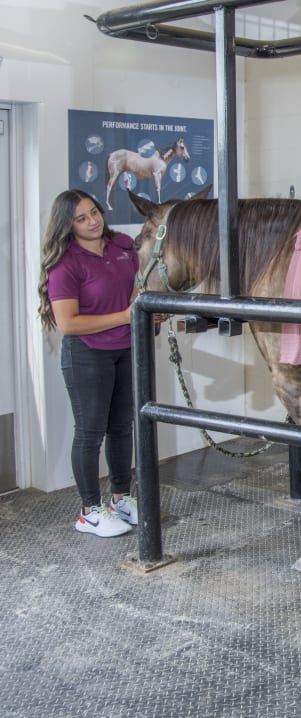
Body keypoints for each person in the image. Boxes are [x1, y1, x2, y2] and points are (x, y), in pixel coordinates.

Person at [38, 190, 141, 537]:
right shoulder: (66, 263)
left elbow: (140, 286)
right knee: (90, 432)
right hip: (87, 354)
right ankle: (89, 511)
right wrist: (126, 316)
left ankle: (120, 499)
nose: (93, 221)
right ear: (68, 225)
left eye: (94, 212)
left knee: (122, 427)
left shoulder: (123, 246)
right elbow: (69, 324)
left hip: (127, 349)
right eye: (81, 218)